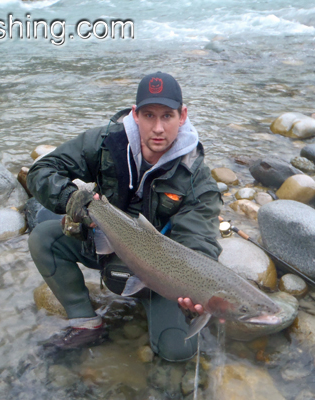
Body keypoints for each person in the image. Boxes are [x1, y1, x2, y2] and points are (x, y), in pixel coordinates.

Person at [27, 72, 222, 362]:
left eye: (167, 116)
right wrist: (69, 198)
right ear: (135, 115)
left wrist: (196, 291)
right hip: (107, 243)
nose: (158, 128)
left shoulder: (195, 177)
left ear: (182, 116)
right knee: (43, 238)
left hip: (160, 274)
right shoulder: (106, 142)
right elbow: (41, 171)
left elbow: (198, 241)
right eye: (149, 115)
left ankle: (149, 304)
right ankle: (85, 322)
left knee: (177, 351)